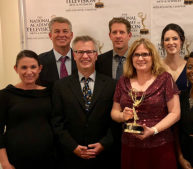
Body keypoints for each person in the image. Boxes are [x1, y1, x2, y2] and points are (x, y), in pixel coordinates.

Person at [111, 38, 180, 169]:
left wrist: (153, 130)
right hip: (130, 147)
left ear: (153, 57)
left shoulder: (165, 79)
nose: (140, 58)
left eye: (145, 54)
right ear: (131, 58)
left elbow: (175, 113)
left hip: (160, 147)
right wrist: (122, 116)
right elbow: (114, 112)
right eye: (136, 54)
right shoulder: (122, 81)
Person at [51, 35, 115, 169]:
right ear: (74, 55)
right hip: (71, 157)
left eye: (89, 52)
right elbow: (57, 122)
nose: (85, 56)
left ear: (96, 55)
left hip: (104, 157)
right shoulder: (60, 86)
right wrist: (73, 146)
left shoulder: (111, 85)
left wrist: (104, 144)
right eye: (80, 52)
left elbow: (115, 122)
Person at [0, 50, 55, 169]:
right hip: (16, 161)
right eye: (24, 67)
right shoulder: (5, 95)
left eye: (33, 67)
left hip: (48, 160)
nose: (29, 72)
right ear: (16, 69)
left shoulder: (50, 93)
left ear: (40, 68)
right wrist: (4, 163)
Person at [95, 17, 132, 169]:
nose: (118, 36)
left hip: (134, 123)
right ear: (109, 35)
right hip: (106, 124)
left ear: (129, 35)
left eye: (122, 32)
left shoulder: (139, 59)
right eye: (114, 32)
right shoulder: (100, 60)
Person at [37, 16, 77, 88]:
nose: (61, 35)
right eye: (57, 31)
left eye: (65, 31)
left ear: (71, 35)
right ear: (50, 35)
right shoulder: (40, 60)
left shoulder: (81, 58)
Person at [161, 23, 189, 91]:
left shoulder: (190, 67)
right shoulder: (157, 67)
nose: (171, 42)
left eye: (175, 39)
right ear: (163, 43)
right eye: (167, 39)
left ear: (181, 41)